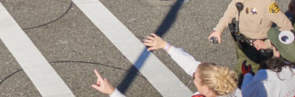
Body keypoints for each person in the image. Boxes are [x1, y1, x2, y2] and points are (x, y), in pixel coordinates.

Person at [91, 33, 240, 96]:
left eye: (194, 76)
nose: (192, 74)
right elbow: (191, 65)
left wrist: (112, 92)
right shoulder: (234, 91)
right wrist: (165, 46)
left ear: (206, 88)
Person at [210, 0, 294, 75]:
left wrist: (268, 44)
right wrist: (218, 30)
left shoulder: (266, 2)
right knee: (241, 62)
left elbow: (287, 27)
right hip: (241, 40)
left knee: (244, 74)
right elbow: (232, 9)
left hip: (255, 48)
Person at [247, 27, 295, 97]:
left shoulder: (265, 76)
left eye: (273, 44)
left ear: (278, 53)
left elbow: (247, 93)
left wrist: (247, 76)